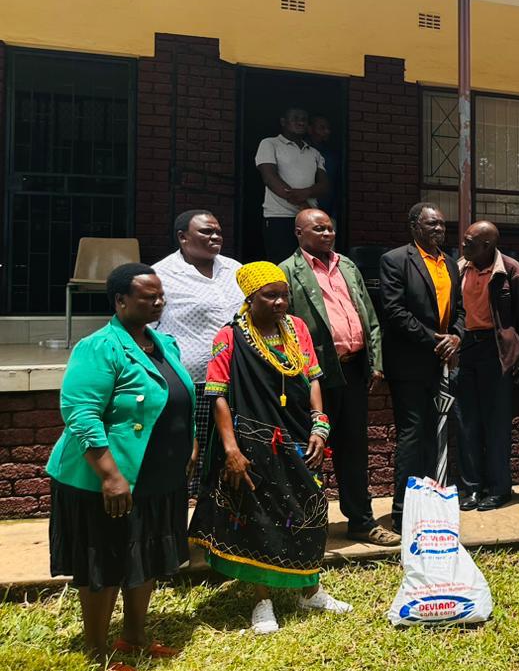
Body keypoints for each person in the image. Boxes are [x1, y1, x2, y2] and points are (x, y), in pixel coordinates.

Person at [46, 264, 195, 671]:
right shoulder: (98, 347)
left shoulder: (163, 343)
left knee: (145, 553)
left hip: (156, 477)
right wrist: (110, 476)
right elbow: (80, 413)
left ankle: (135, 636)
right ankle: (97, 651)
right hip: (106, 479)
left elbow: (178, 398)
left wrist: (191, 442)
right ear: (120, 301)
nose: (158, 302)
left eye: (161, 295)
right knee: (105, 559)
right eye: (148, 297)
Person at [188, 262, 351, 636]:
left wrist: (320, 423)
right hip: (253, 441)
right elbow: (218, 395)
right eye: (270, 296)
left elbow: (312, 378)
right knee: (259, 519)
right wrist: (231, 449)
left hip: (299, 436)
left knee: (310, 510)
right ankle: (262, 601)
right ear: (250, 298)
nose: (279, 302)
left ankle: (310, 590)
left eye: (283, 295)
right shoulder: (229, 338)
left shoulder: (297, 329)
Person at [281, 209, 396, 546]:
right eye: (319, 229)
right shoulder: (288, 271)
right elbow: (284, 326)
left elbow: (369, 316)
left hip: (354, 370)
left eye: (330, 228)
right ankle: (306, 527)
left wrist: (375, 362)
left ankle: (361, 522)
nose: (327, 234)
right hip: (315, 376)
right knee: (312, 449)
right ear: (299, 233)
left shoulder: (347, 265)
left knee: (355, 450)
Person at [379, 203, 464, 531]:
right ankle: (403, 512)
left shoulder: (451, 263)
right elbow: (394, 311)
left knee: (437, 433)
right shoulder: (396, 260)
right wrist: (435, 340)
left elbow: (460, 310)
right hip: (410, 363)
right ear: (414, 226)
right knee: (412, 435)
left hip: (441, 362)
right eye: (431, 224)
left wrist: (456, 337)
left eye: (442, 224)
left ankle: (432, 503)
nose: (439, 229)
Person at [150, 210, 242, 493]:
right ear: (183, 237)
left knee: (230, 464)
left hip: (235, 383)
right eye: (206, 232)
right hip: (192, 386)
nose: (215, 237)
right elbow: (146, 328)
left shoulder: (235, 270)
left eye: (218, 232)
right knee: (189, 464)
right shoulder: (160, 275)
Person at [456, 222, 519, 511]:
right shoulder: (459, 268)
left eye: (470, 242)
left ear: (487, 245)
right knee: (466, 422)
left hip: (496, 350)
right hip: (466, 347)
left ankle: (500, 489)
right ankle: (472, 489)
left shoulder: (511, 270)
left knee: (497, 423)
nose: (463, 246)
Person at [256, 106, 328, 263]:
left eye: (304, 119)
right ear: (283, 122)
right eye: (295, 118)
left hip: (309, 219)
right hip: (279, 217)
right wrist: (302, 203)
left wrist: (306, 194)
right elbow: (270, 178)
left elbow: (324, 185)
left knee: (311, 265)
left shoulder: (314, 153)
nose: (301, 122)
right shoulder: (269, 144)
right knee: (282, 265)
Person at [308, 115, 341, 221]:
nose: (327, 132)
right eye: (322, 128)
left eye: (328, 128)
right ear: (310, 129)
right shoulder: (301, 151)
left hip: (328, 207)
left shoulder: (332, 155)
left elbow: (336, 183)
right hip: (304, 205)